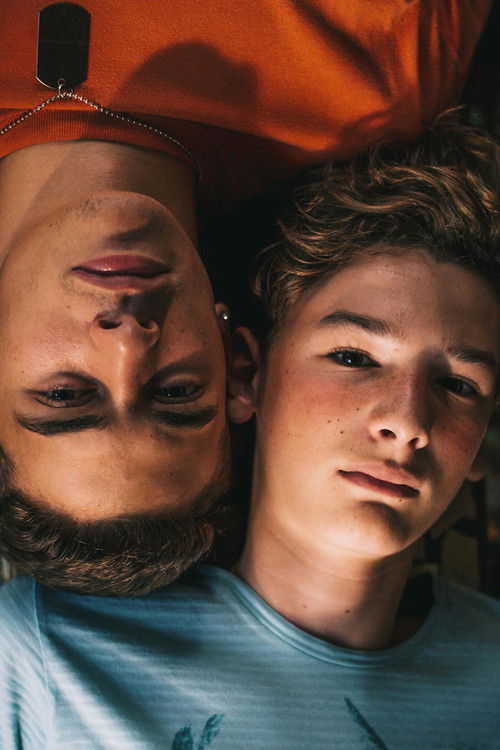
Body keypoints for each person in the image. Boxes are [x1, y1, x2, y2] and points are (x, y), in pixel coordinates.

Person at [0, 114, 498, 749]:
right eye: (352, 358)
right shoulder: (47, 655)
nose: (405, 422)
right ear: (248, 375)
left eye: (460, 385)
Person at [0, 0, 491, 594]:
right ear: (233, 357)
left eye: (64, 394)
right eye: (177, 392)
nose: (128, 341)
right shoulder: (375, 88)